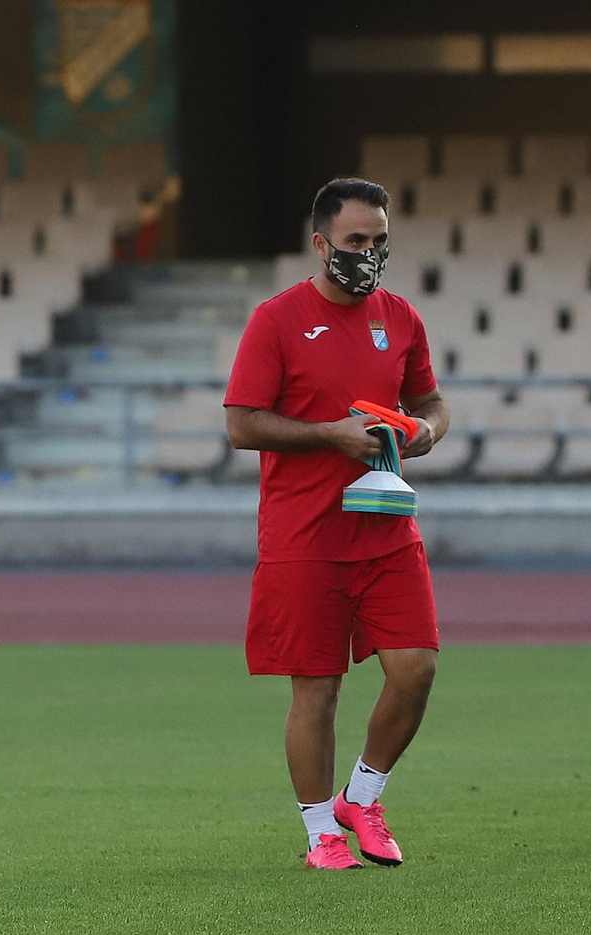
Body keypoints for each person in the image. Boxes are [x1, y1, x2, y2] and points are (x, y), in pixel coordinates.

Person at [223, 178, 450, 871]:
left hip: (385, 525)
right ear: (321, 243)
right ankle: (323, 832)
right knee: (316, 688)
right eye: (356, 241)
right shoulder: (276, 320)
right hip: (304, 534)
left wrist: (425, 433)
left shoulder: (402, 318)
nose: (370, 253)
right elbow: (240, 424)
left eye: (379, 240)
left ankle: (364, 796)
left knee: (416, 667)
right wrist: (331, 435)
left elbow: (433, 402)